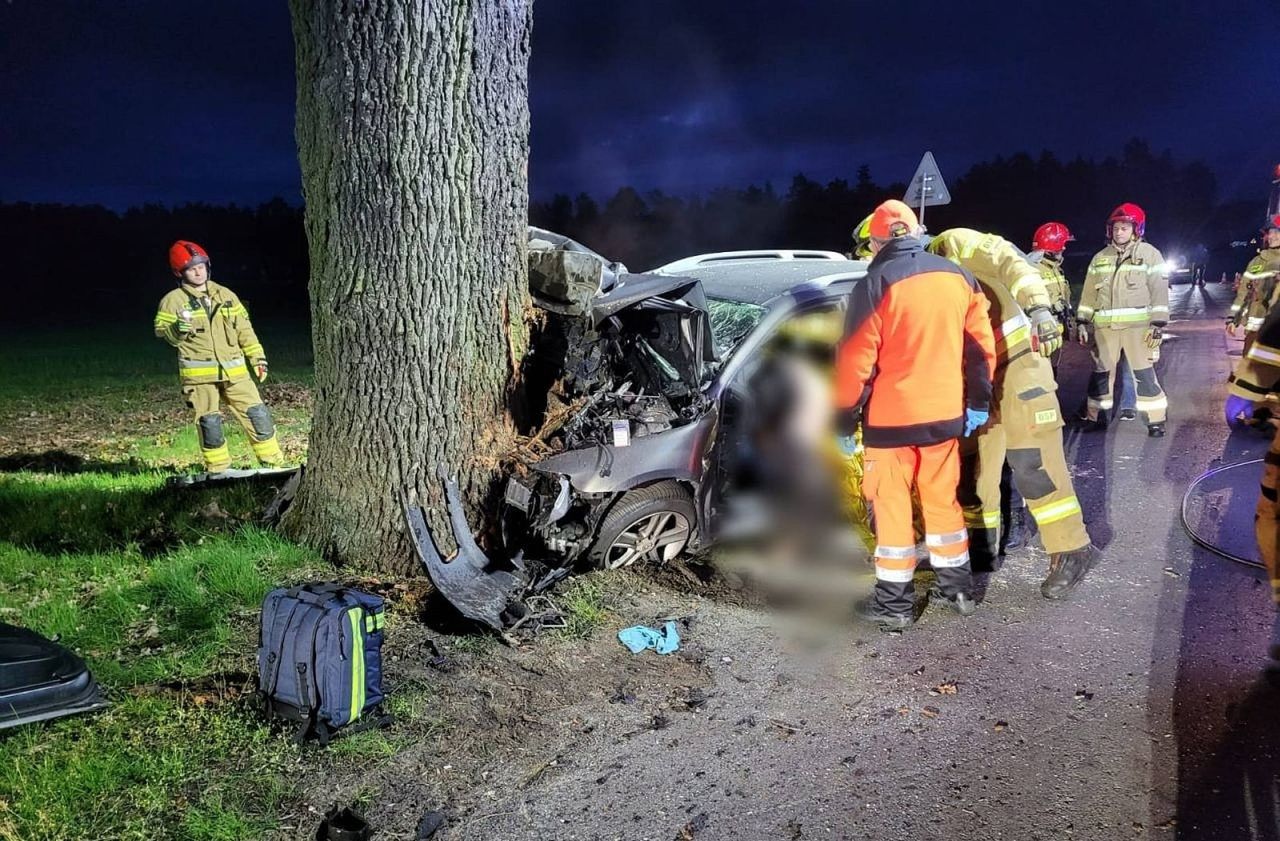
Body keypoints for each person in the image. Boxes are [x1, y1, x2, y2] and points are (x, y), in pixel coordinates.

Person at [835, 201, 997, 629]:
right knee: (944, 503)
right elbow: (981, 349)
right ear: (916, 232)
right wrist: (978, 403)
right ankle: (959, 590)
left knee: (892, 511)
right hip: (944, 418)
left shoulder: (874, 283)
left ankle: (895, 606)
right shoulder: (959, 277)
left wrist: (842, 418)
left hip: (890, 425)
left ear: (877, 240)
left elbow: (856, 363)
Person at [923, 227, 1102, 598]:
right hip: (978, 383)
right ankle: (981, 550)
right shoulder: (911, 283)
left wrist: (1038, 307)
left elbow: (1007, 259)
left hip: (1019, 364)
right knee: (975, 474)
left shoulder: (952, 245)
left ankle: (1071, 548)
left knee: (1032, 462)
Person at [153, 240, 282, 473]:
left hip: (236, 372)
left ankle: (274, 464)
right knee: (209, 424)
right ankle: (219, 470)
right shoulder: (172, 301)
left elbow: (245, 330)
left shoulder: (227, 295)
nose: (198, 271)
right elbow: (165, 334)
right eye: (191, 268)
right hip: (199, 377)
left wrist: (258, 358)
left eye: (201, 266)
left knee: (258, 414)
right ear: (179, 272)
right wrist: (179, 328)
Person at [1076, 203, 1170, 437]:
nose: (1119, 232)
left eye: (1125, 228)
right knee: (1101, 376)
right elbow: (1089, 293)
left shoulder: (1150, 254)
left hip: (1138, 329)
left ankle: (1155, 421)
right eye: (1116, 228)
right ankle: (1096, 417)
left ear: (1136, 230)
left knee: (1144, 375)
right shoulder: (1100, 258)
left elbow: (1159, 290)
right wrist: (1082, 320)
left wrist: (1157, 324)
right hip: (1105, 329)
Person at [1226, 215, 1280, 358]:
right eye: (1271, 232)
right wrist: (1233, 319)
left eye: (1278, 232)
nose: (1273, 236)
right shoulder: (1256, 262)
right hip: (1254, 331)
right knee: (1248, 371)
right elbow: (1244, 292)